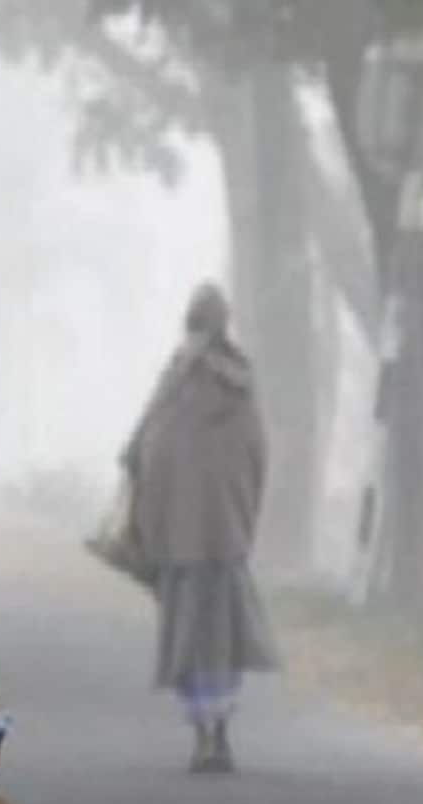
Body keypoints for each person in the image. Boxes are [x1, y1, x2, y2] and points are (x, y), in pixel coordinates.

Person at [122, 282, 280, 774]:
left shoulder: (176, 382)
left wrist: (151, 525)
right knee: (224, 639)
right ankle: (221, 730)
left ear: (191, 324)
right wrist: (241, 517)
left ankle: (204, 733)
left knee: (189, 639)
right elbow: (257, 458)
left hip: (181, 542)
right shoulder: (242, 383)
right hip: (227, 537)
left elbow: (143, 453)